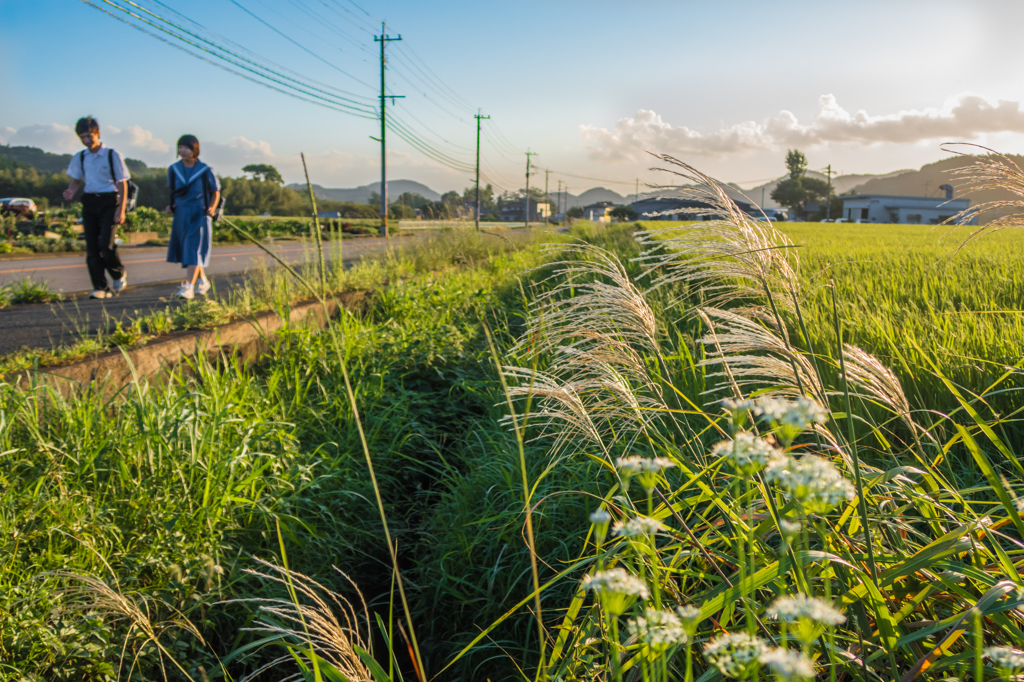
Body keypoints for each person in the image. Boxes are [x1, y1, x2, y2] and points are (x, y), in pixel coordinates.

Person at [62, 116, 130, 299]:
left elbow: (123, 184)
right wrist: (70, 192)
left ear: (97, 133)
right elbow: (76, 181)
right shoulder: (81, 157)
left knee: (105, 245)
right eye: (82, 137)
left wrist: (121, 210)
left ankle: (118, 273)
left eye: (88, 136)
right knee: (92, 247)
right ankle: (100, 287)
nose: (86, 141)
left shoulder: (112, 155)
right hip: (90, 202)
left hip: (110, 201)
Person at [165, 135, 219, 299]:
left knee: (193, 248)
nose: (182, 151)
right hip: (181, 213)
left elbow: (215, 191)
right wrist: (171, 205)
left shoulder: (205, 169)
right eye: (180, 147)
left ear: (195, 149)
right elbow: (173, 191)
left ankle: (188, 286)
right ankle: (202, 280)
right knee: (187, 248)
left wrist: (212, 207)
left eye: (186, 148)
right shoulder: (173, 169)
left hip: (199, 213)